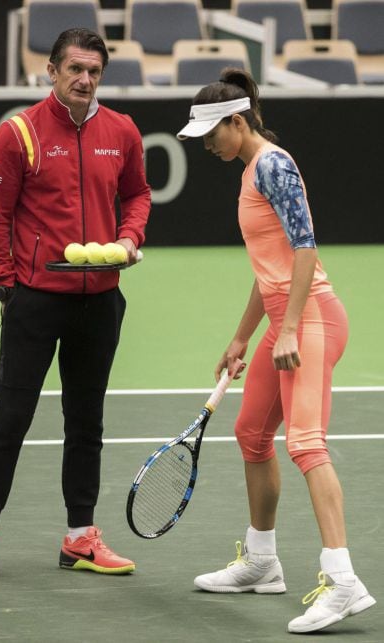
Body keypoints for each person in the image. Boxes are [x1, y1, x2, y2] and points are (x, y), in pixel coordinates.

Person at [176, 68, 376, 634]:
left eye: (212, 134)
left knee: (306, 442)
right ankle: (262, 562)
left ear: (237, 122)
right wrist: (243, 336)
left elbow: (306, 250)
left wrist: (286, 331)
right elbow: (272, 271)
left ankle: (343, 581)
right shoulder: (248, 172)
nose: (207, 145)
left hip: (311, 319)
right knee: (251, 434)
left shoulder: (274, 165)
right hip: (286, 315)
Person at [0, 28, 151, 581]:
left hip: (102, 300)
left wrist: (130, 239)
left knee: (86, 422)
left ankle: (80, 537)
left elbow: (137, 193)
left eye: (94, 71)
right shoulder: (18, 133)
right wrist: (7, 282)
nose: (85, 80)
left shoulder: (122, 131)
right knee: (9, 420)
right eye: (75, 70)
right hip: (34, 301)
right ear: (53, 71)